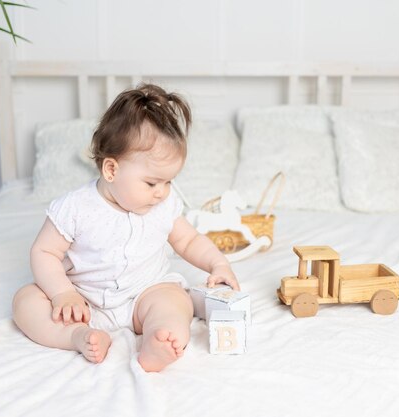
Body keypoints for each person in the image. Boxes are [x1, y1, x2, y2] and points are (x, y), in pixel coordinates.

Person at [12, 83, 239, 372]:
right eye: (152, 183)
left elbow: (188, 241)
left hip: (143, 295)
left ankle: (159, 341)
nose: (162, 192)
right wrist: (62, 294)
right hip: (82, 301)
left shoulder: (164, 206)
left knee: (176, 301)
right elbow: (43, 251)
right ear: (111, 170)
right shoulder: (75, 208)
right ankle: (77, 336)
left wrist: (218, 264)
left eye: (169, 182)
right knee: (25, 302)